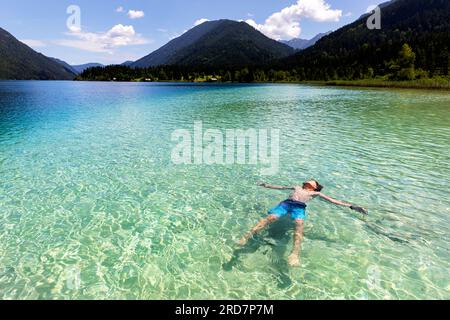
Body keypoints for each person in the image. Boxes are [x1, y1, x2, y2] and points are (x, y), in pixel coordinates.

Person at [238, 180, 368, 267]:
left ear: (315, 186)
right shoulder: (297, 187)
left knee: (299, 225)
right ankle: (246, 236)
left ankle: (294, 254)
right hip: (285, 204)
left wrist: (351, 206)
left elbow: (333, 201)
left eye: (312, 181)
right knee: (270, 218)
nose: (308, 180)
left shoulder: (316, 193)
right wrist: (267, 185)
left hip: (299, 207)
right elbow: (281, 187)